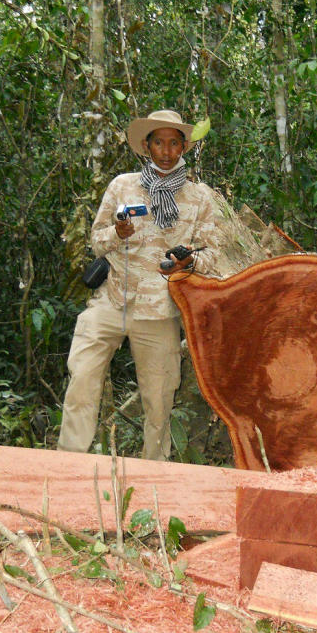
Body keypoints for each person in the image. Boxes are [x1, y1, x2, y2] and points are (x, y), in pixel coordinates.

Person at [58, 109, 220, 459]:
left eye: (174, 143)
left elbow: (211, 256)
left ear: (184, 148)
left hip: (159, 310)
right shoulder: (122, 185)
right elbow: (97, 240)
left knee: (159, 401)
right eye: (159, 142)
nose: (166, 151)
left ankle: (153, 476)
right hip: (110, 300)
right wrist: (117, 233)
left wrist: (189, 261)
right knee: (82, 379)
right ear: (146, 147)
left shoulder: (199, 198)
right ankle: (68, 463)